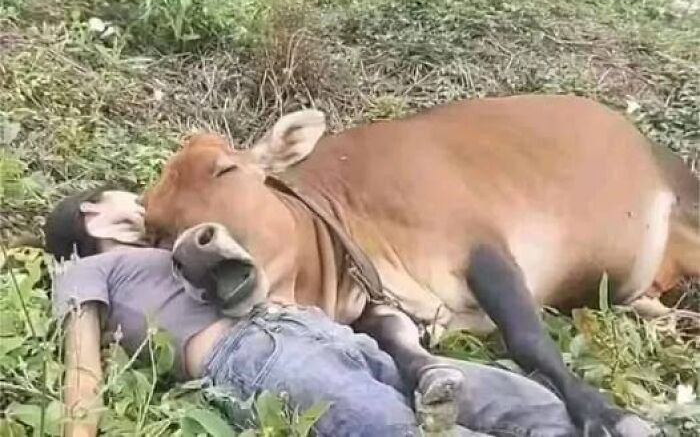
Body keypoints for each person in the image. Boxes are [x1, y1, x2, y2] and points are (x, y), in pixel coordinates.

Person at [46, 187, 584, 437]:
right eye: (124, 196)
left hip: (322, 333)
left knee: (524, 402)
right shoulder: (82, 270)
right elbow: (82, 366)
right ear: (93, 212)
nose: (140, 202)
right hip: (256, 359)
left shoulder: (167, 253)